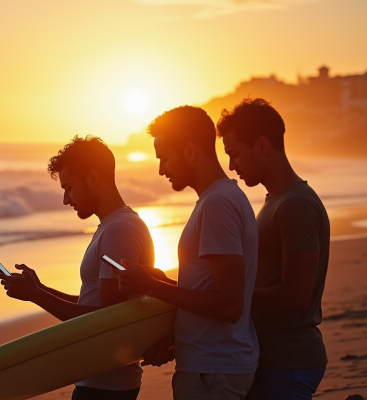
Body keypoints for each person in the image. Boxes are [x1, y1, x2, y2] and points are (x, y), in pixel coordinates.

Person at [112, 106, 259, 400]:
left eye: (165, 158)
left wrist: (151, 286)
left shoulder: (218, 203)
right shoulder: (218, 199)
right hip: (213, 366)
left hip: (214, 371)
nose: (161, 169)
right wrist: (162, 286)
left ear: (190, 150)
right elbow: (212, 292)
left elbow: (229, 305)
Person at [0, 135, 155, 400]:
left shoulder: (119, 231)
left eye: (68, 187)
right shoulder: (114, 226)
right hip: (101, 378)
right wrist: (40, 289)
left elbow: (106, 321)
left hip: (106, 384)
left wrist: (36, 295)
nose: (66, 200)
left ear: (93, 178)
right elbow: (93, 303)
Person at [217, 98, 329, 400]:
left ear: (262, 145)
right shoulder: (276, 201)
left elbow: (296, 295)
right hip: (272, 358)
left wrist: (231, 297)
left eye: (235, 153)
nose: (231, 165)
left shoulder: (296, 205)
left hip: (288, 360)